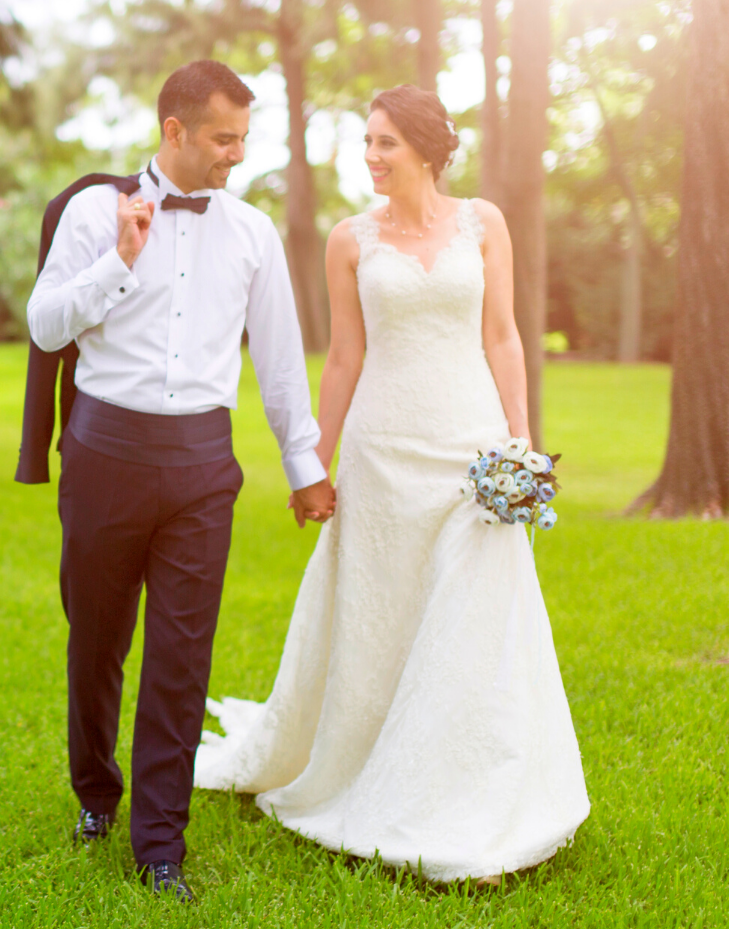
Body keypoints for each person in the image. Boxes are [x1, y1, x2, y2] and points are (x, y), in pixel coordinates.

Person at [195, 84, 590, 882]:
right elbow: (344, 359)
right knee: (382, 614)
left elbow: (504, 335)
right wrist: (314, 466)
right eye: (366, 143)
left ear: (426, 150)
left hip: (470, 450)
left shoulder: (485, 224)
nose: (371, 158)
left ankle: (478, 787)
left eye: (385, 144)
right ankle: (359, 765)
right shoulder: (349, 239)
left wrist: (522, 445)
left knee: (476, 613)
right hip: (382, 452)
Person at [22, 60, 335, 903]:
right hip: (104, 455)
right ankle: (96, 793)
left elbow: (277, 363)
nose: (237, 153)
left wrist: (304, 467)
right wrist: (119, 261)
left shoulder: (252, 233)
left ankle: (159, 841)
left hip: (202, 467)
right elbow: (45, 323)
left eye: (243, 137)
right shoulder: (94, 212)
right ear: (175, 132)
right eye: (223, 137)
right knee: (96, 639)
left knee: (181, 657)